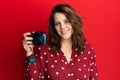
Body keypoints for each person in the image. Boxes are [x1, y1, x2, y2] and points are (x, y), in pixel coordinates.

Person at [23, 4, 98, 80]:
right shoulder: (44, 49)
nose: (62, 27)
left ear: (74, 22)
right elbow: (33, 78)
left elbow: (94, 78)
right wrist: (29, 53)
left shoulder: (87, 49)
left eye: (66, 21)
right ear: (53, 27)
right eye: (57, 24)